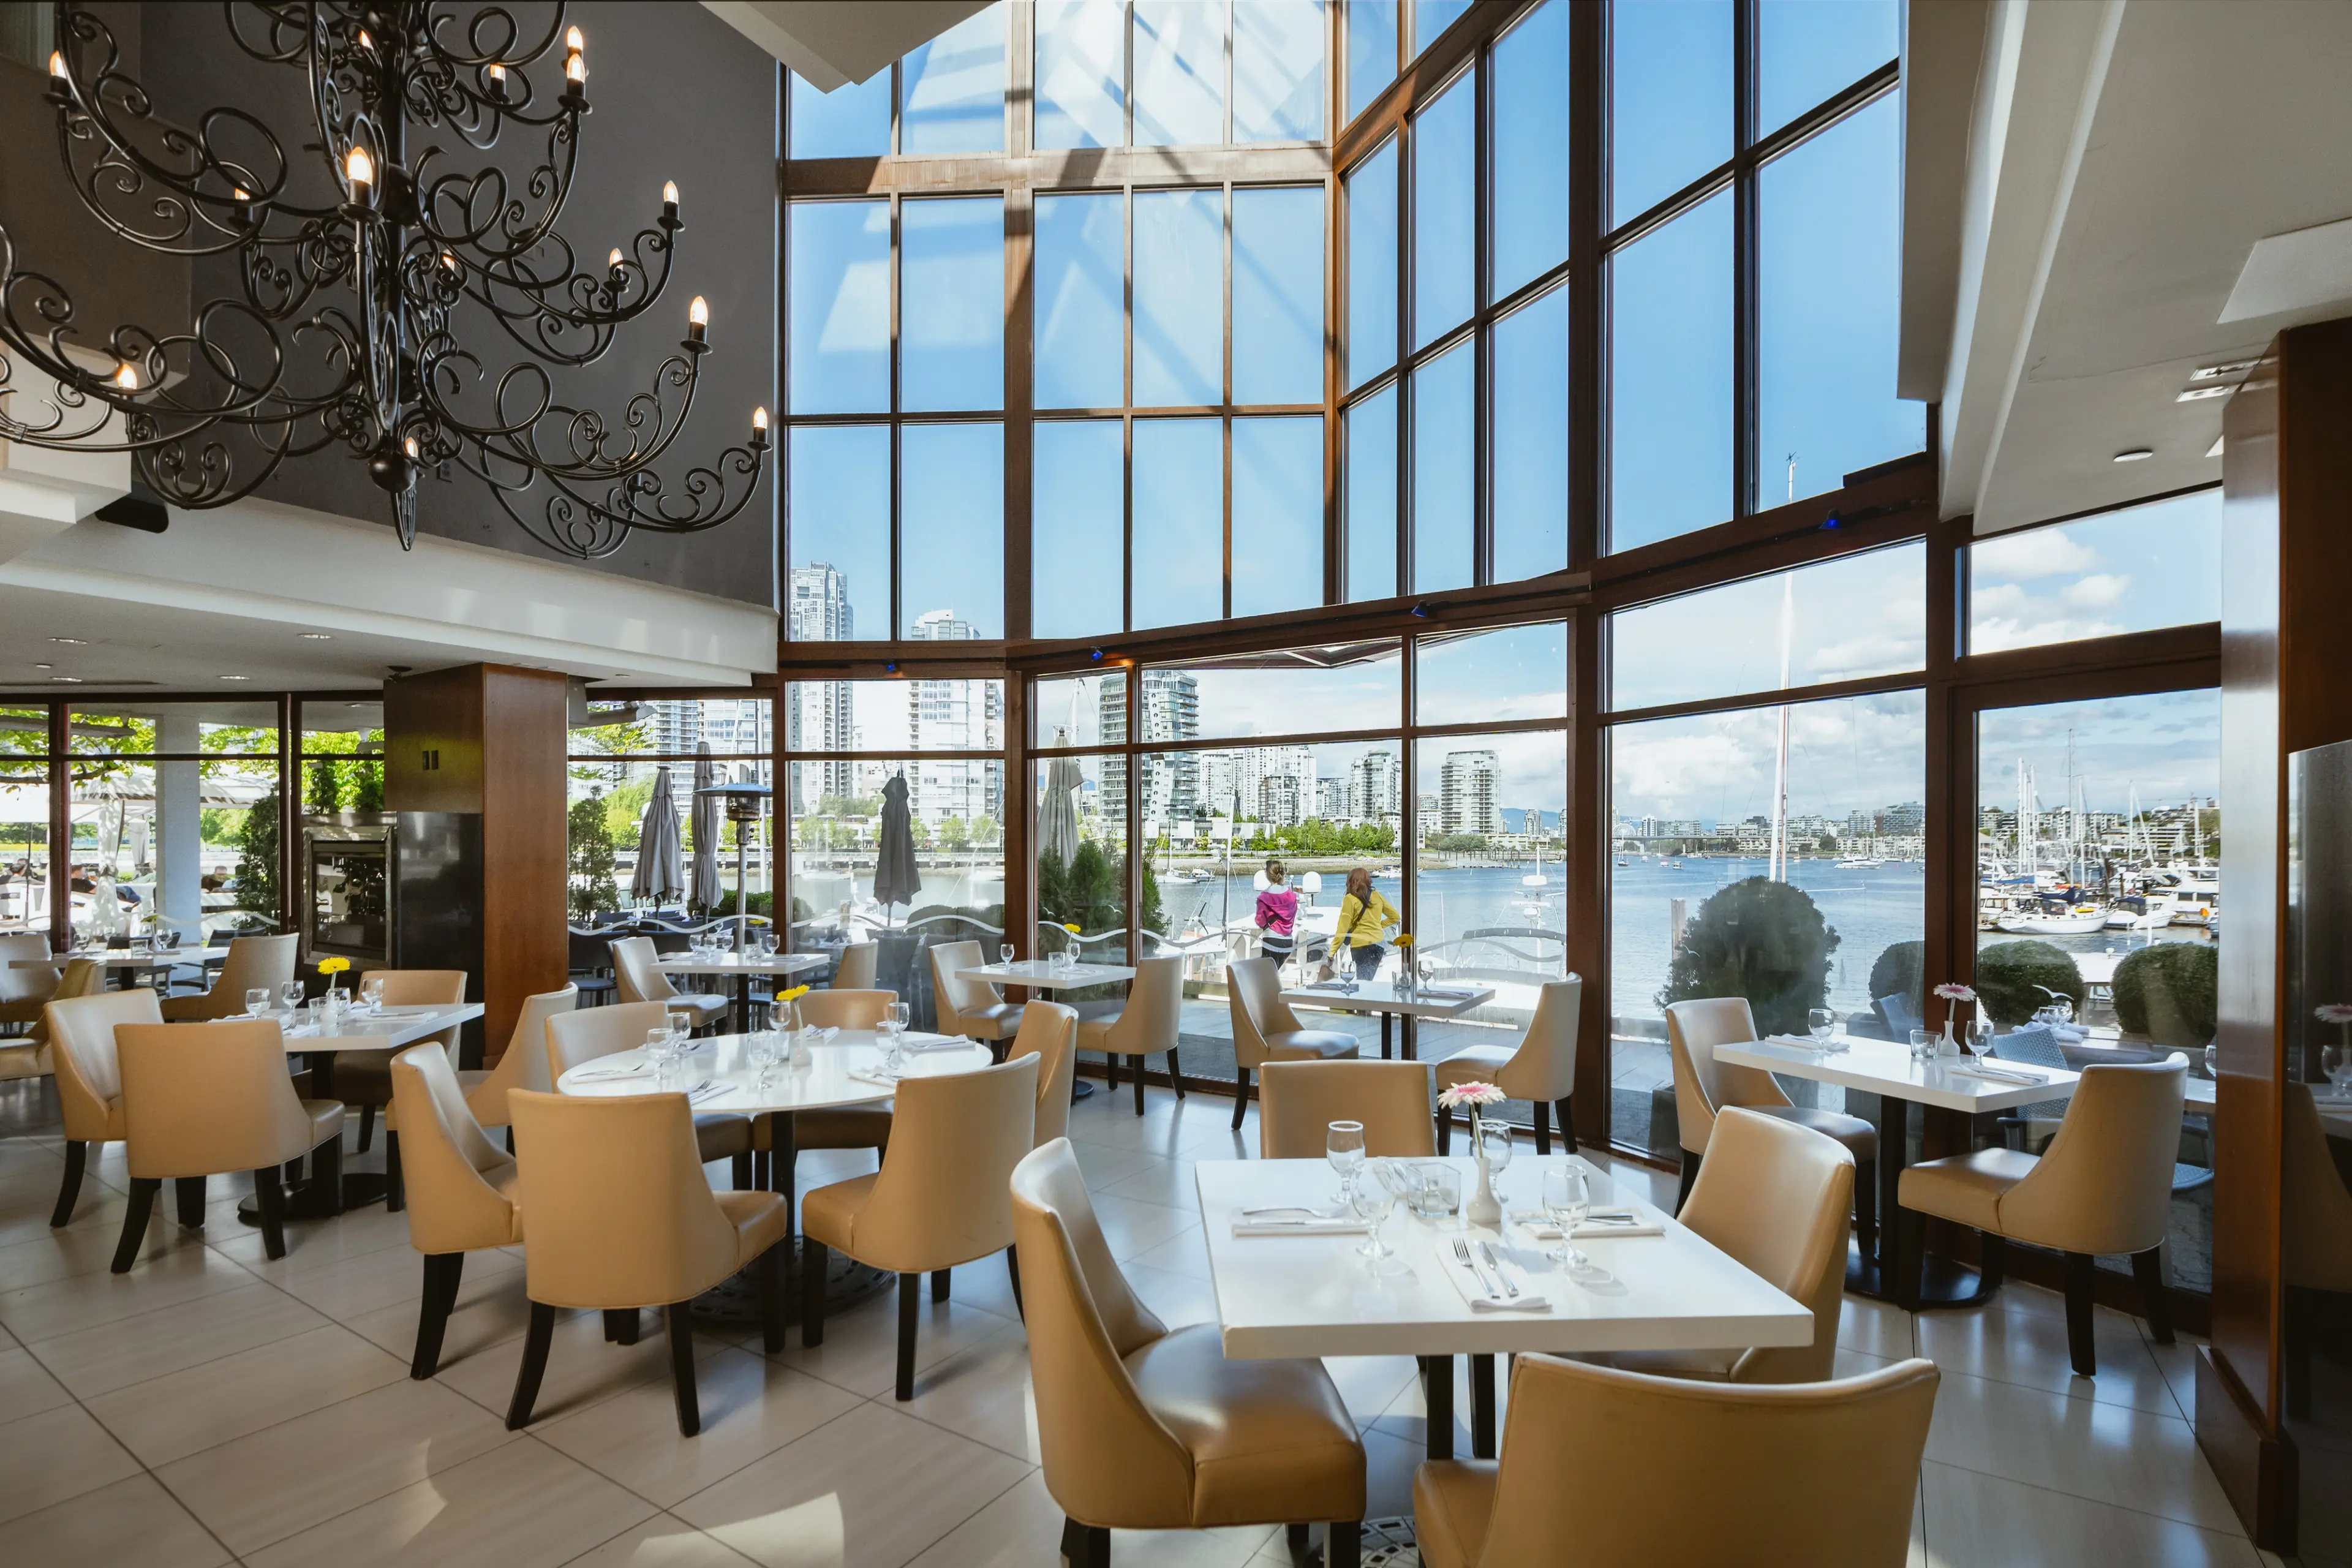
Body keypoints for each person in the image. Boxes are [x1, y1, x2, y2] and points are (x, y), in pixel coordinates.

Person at [1335, 867, 1400, 982]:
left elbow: (1345, 925)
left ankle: (1363, 998)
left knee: (1363, 980)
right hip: (1378, 946)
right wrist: (1378, 926)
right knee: (1367, 979)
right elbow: (1395, 917)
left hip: (1360, 945)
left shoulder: (1350, 899)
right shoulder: (1377, 896)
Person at [1254, 859, 1298, 975]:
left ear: (1268, 875)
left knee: (1267, 975)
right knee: (1275, 974)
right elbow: (1293, 916)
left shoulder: (1264, 897)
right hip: (1288, 940)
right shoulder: (1292, 895)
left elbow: (1260, 921)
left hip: (1272, 939)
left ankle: (1268, 993)